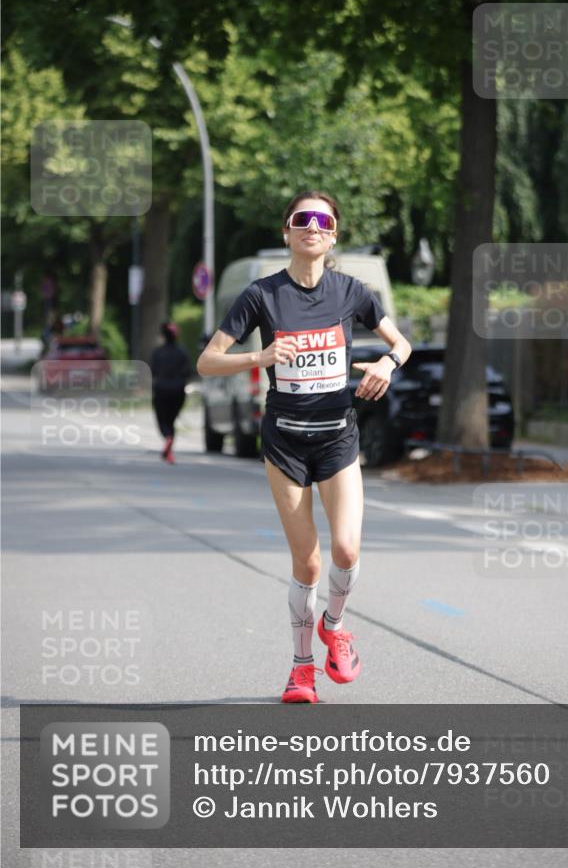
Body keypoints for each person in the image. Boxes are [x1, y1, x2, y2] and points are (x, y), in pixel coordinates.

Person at [197, 190, 411, 703]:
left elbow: (399, 343)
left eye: (322, 220)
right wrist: (263, 355)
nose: (312, 226)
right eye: (301, 219)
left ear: (333, 234)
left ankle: (334, 626)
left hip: (338, 438)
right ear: (287, 232)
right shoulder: (261, 296)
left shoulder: (352, 292)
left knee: (346, 549)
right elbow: (207, 362)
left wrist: (385, 364)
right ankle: (301, 670)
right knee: (309, 564)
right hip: (285, 444)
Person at [150, 322, 192, 464]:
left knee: (162, 421)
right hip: (178, 391)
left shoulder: (158, 352)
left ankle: (167, 438)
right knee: (171, 420)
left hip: (161, 390)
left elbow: (153, 371)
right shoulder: (182, 352)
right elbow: (188, 372)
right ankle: (169, 451)